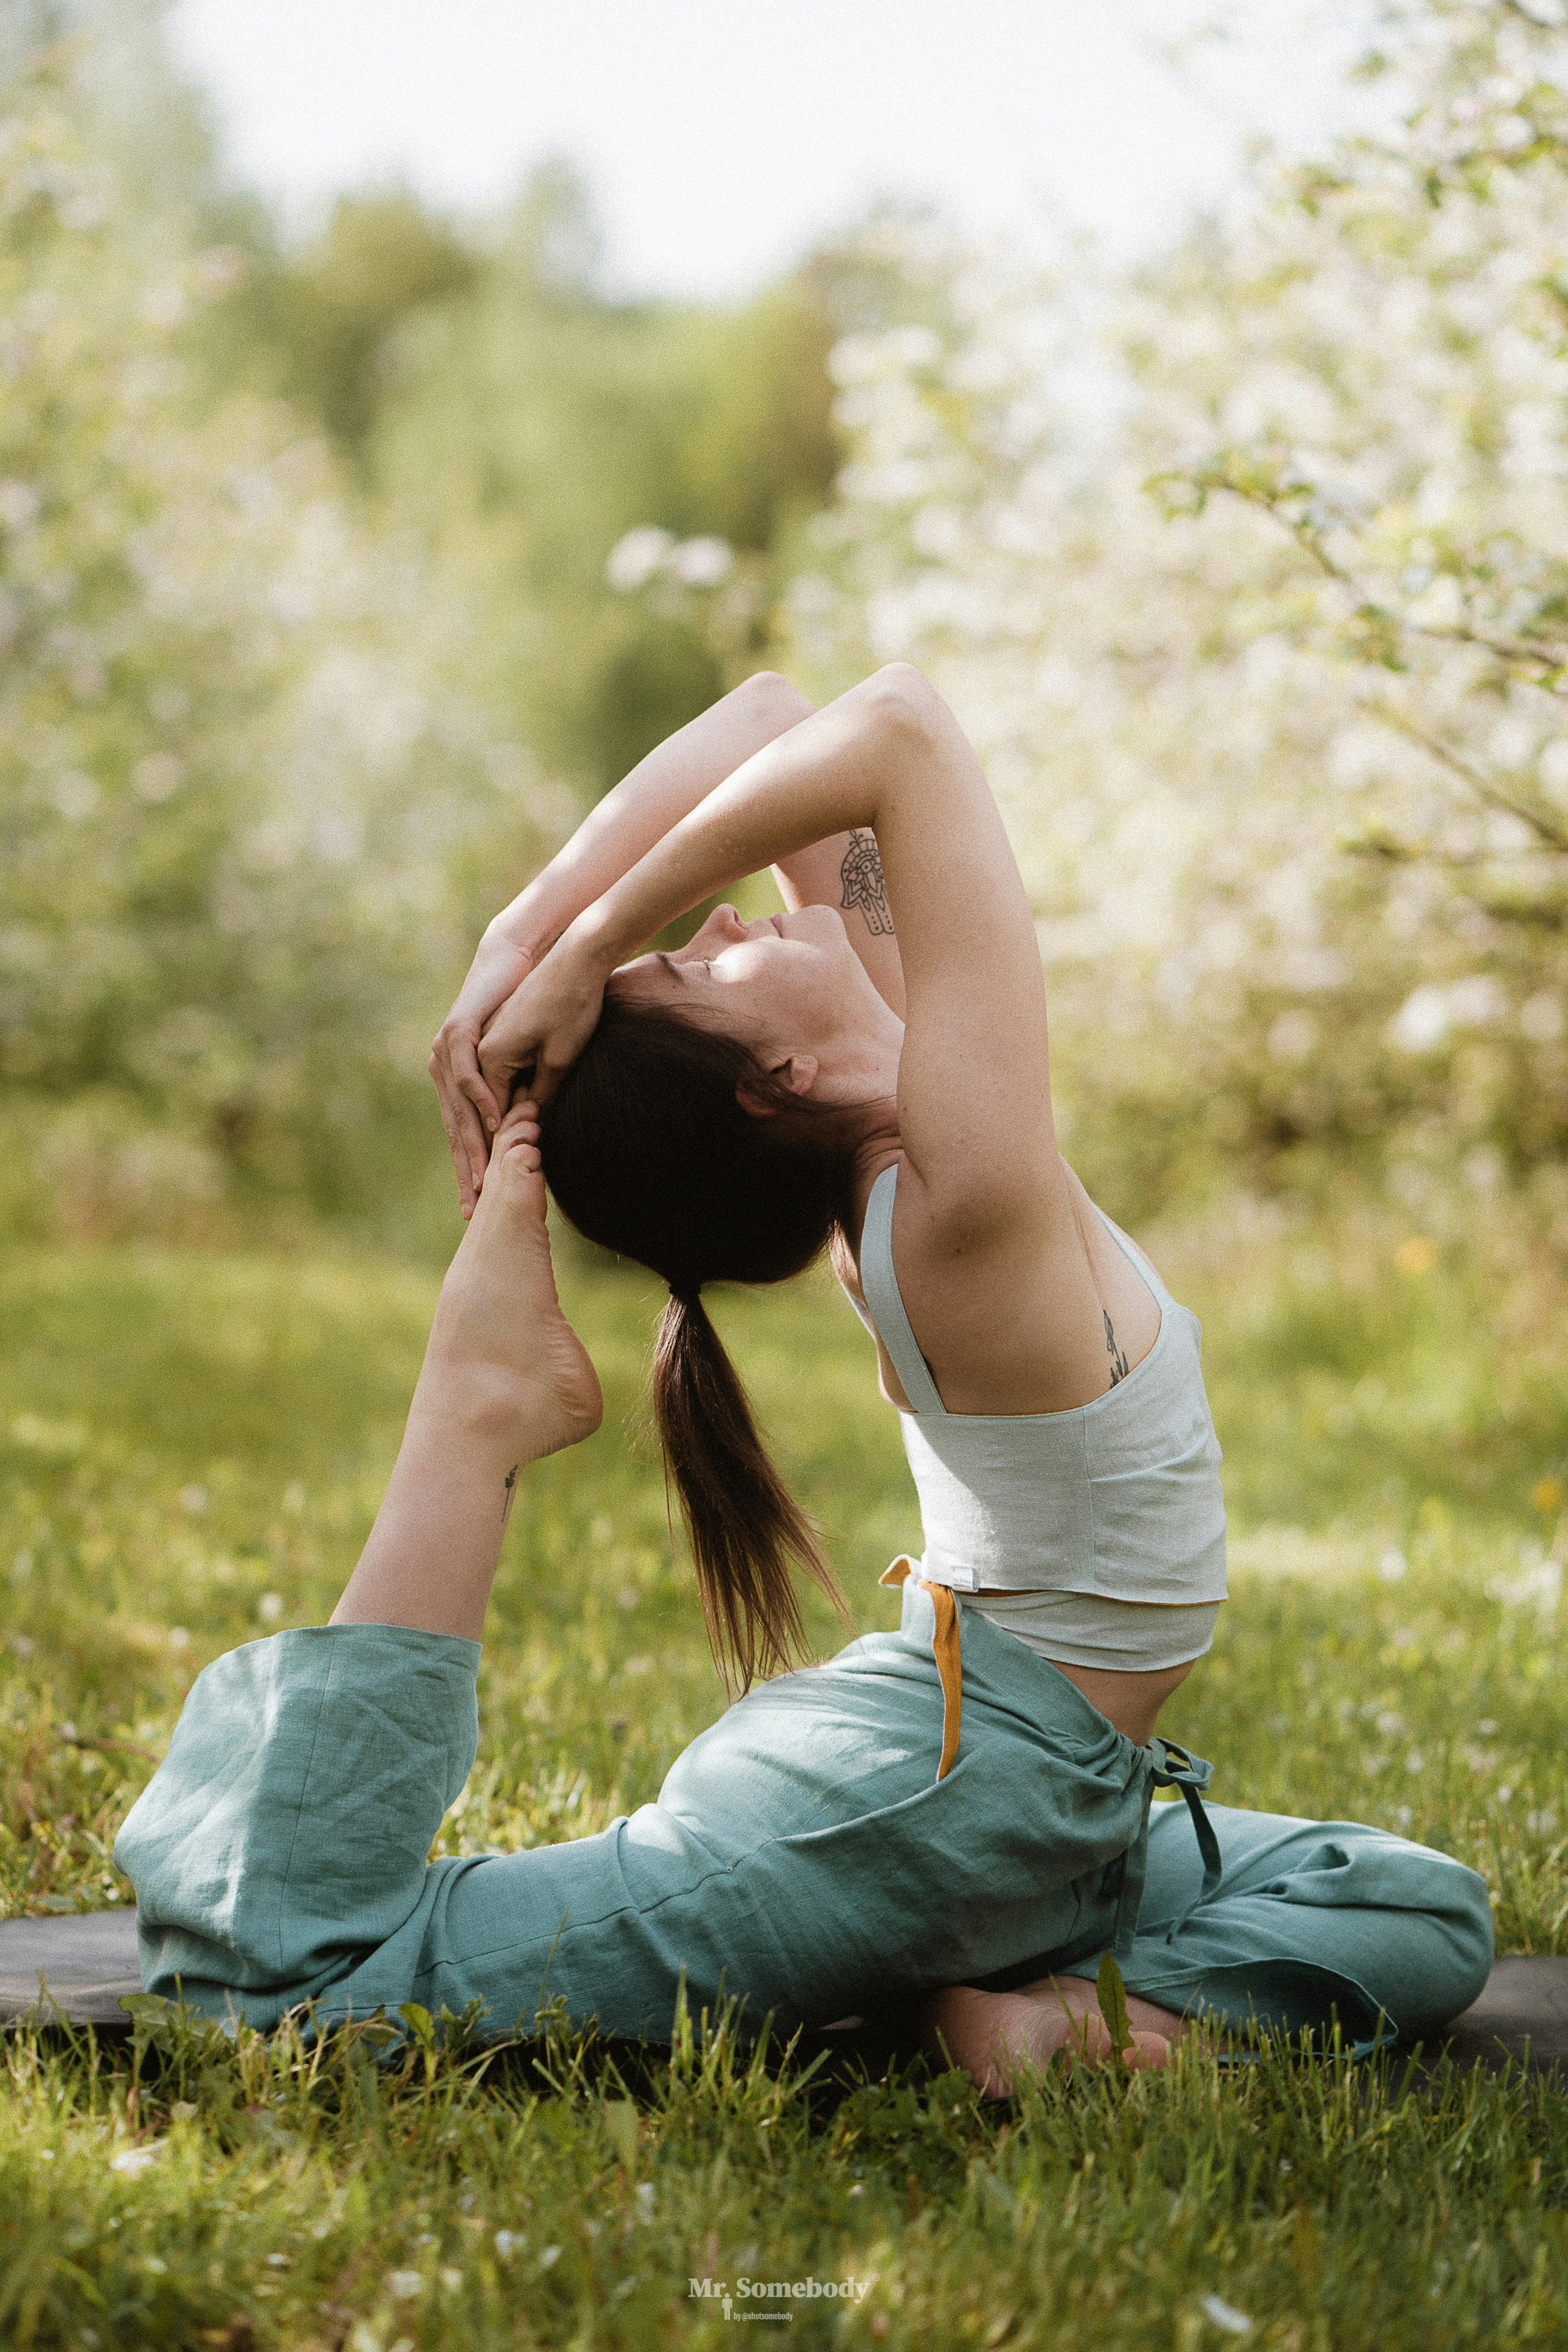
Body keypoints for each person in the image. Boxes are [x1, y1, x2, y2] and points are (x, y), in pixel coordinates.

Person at [117, 669, 1493, 2091]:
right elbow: (899, 731)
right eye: (697, 967)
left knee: (1412, 1904)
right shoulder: (957, 1207)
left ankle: (982, 1992)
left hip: (1034, 1795)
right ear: (771, 1077)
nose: (715, 919)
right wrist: (594, 945)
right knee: (272, 1989)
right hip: (932, 1796)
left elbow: (779, 716)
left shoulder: (907, 1110)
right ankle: (476, 1411)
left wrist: (527, 936)